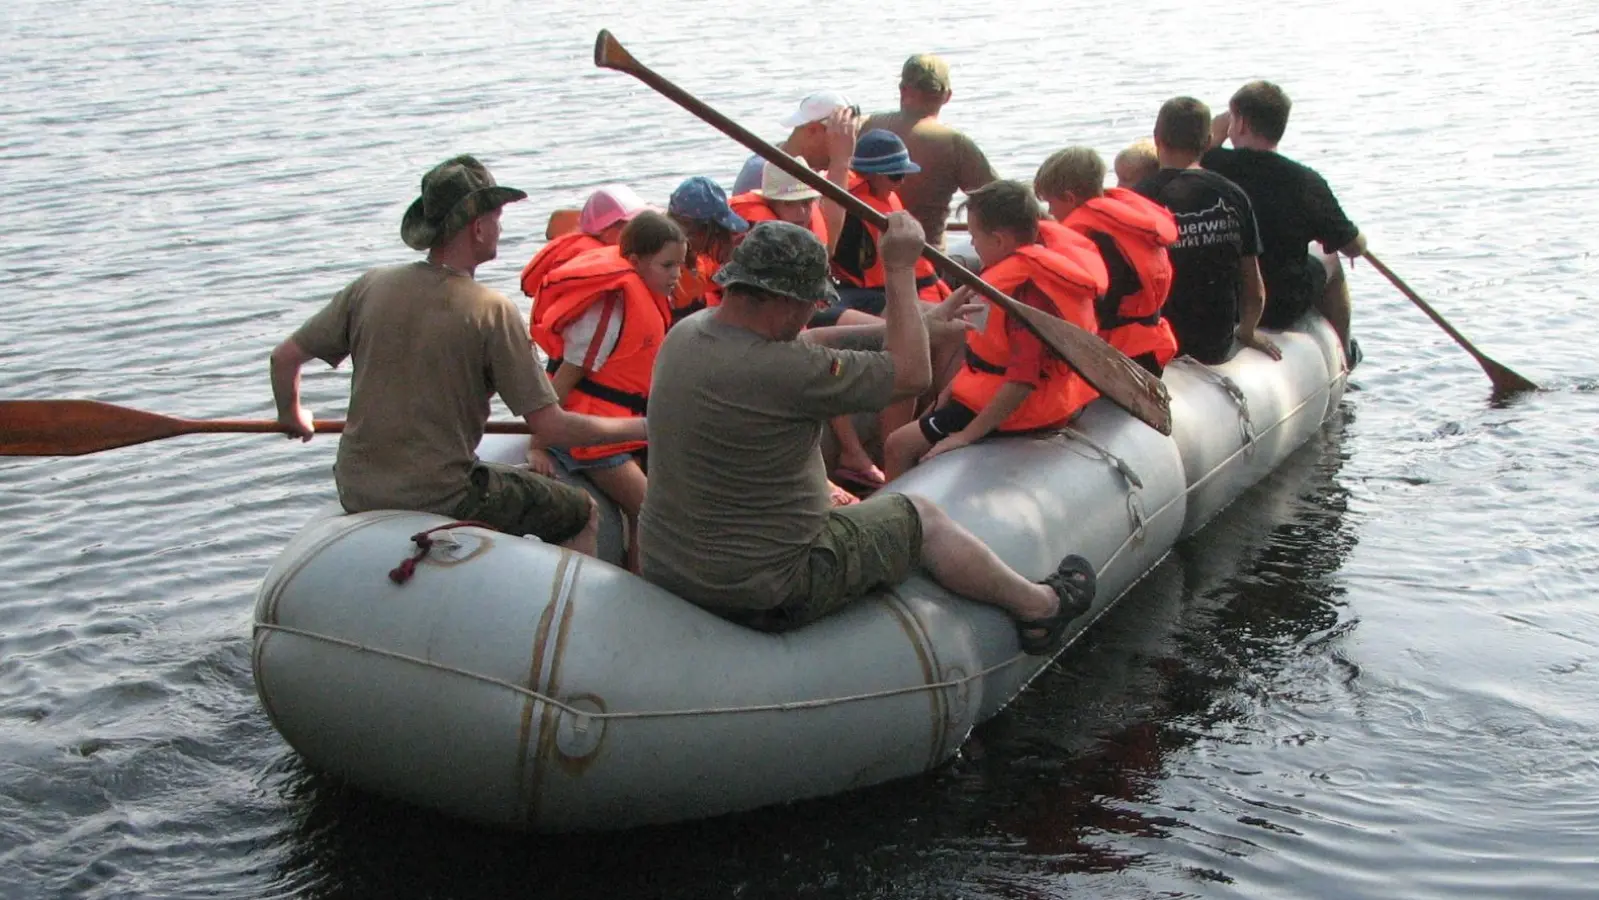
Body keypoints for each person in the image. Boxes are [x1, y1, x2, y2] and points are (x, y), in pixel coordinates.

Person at [640, 215, 1097, 654]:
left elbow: (807, 344)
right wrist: (897, 268)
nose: (809, 315)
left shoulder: (689, 334)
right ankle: (1041, 607)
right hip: (767, 587)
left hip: (670, 570)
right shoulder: (785, 371)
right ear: (782, 301)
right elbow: (913, 375)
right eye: (808, 304)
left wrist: (920, 324)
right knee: (922, 517)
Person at [268, 155, 647, 555]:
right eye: (497, 219)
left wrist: (290, 414)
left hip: (356, 486)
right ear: (478, 227)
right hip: (439, 493)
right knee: (578, 510)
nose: (500, 229)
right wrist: (642, 428)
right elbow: (551, 427)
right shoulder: (490, 310)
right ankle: (570, 615)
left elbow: (284, 358)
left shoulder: (370, 286)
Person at [882, 180, 1101, 479]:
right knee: (925, 420)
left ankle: (888, 516)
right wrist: (946, 398)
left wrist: (966, 435)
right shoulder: (1012, 277)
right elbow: (984, 357)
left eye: (974, 237)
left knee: (897, 445)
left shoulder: (1024, 297)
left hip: (1022, 409)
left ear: (998, 241)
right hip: (988, 389)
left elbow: (1022, 380)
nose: (972, 245)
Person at [528, 211, 686, 569]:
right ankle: (642, 593)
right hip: (586, 434)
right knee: (649, 508)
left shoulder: (646, 294)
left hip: (622, 427)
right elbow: (565, 378)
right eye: (667, 266)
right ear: (634, 261)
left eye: (680, 264)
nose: (677, 274)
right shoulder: (608, 310)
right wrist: (538, 445)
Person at [1203, 80, 1365, 365]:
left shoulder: (1212, 165)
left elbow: (1193, 155)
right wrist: (1357, 238)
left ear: (1239, 124)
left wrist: (1216, 133)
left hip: (1224, 300)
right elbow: (1353, 247)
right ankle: (1345, 355)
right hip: (1280, 304)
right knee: (1330, 261)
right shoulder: (1305, 182)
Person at [1135, 97, 1280, 364]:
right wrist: (1247, 331)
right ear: (1207, 141)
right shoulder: (1233, 195)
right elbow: (1254, 289)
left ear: (1157, 138)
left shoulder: (1135, 200)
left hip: (1156, 346)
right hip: (1214, 343)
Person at [1034, 146, 1180, 375]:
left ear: (1070, 198)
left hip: (1119, 354)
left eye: (1051, 205)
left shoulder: (1089, 238)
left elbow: (1092, 309)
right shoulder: (1120, 222)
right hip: (1148, 342)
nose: (1051, 213)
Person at [862, 54, 997, 249]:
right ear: (947, 96)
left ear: (903, 90)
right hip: (927, 262)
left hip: (866, 259)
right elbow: (1000, 200)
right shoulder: (955, 144)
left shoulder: (867, 127)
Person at [826, 129, 949, 319]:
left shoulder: (883, 195)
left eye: (903, 174)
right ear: (871, 175)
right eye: (896, 175)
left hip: (915, 285)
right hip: (877, 291)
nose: (901, 182)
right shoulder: (852, 213)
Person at [519, 184, 647, 302]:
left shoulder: (589, 248)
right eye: (635, 226)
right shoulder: (592, 270)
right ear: (607, 231)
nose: (643, 232)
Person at [666, 176, 749, 324]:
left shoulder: (697, 260)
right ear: (691, 230)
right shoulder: (662, 270)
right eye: (718, 232)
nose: (722, 239)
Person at [729, 161, 829, 243]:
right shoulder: (754, 241)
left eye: (806, 202)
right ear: (770, 204)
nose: (801, 212)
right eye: (789, 203)